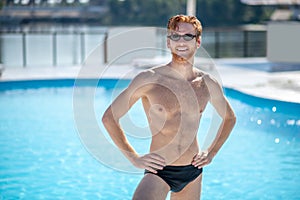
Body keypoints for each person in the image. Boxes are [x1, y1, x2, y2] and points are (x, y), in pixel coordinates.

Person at [102, 14, 236, 200]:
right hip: (160, 171)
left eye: (187, 36)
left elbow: (229, 118)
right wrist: (134, 158)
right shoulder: (149, 79)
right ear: (168, 42)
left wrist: (211, 153)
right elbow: (109, 117)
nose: (181, 41)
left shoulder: (207, 83)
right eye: (175, 36)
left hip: (193, 171)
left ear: (197, 42)